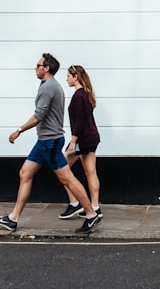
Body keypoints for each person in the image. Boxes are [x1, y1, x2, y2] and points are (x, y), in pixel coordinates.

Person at [0, 53, 102, 234]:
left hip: (49, 142)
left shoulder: (49, 88)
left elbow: (39, 115)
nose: (35, 68)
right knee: (25, 173)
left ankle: (91, 214)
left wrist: (19, 130)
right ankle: (13, 219)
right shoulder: (51, 86)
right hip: (44, 141)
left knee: (66, 177)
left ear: (47, 68)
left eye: (38, 65)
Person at [58, 64, 102, 219]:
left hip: (82, 139)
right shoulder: (86, 94)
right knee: (91, 172)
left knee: (62, 169)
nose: (66, 78)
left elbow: (80, 121)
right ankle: (95, 207)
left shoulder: (79, 96)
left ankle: (74, 203)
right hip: (91, 137)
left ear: (76, 77)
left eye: (69, 76)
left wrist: (73, 141)